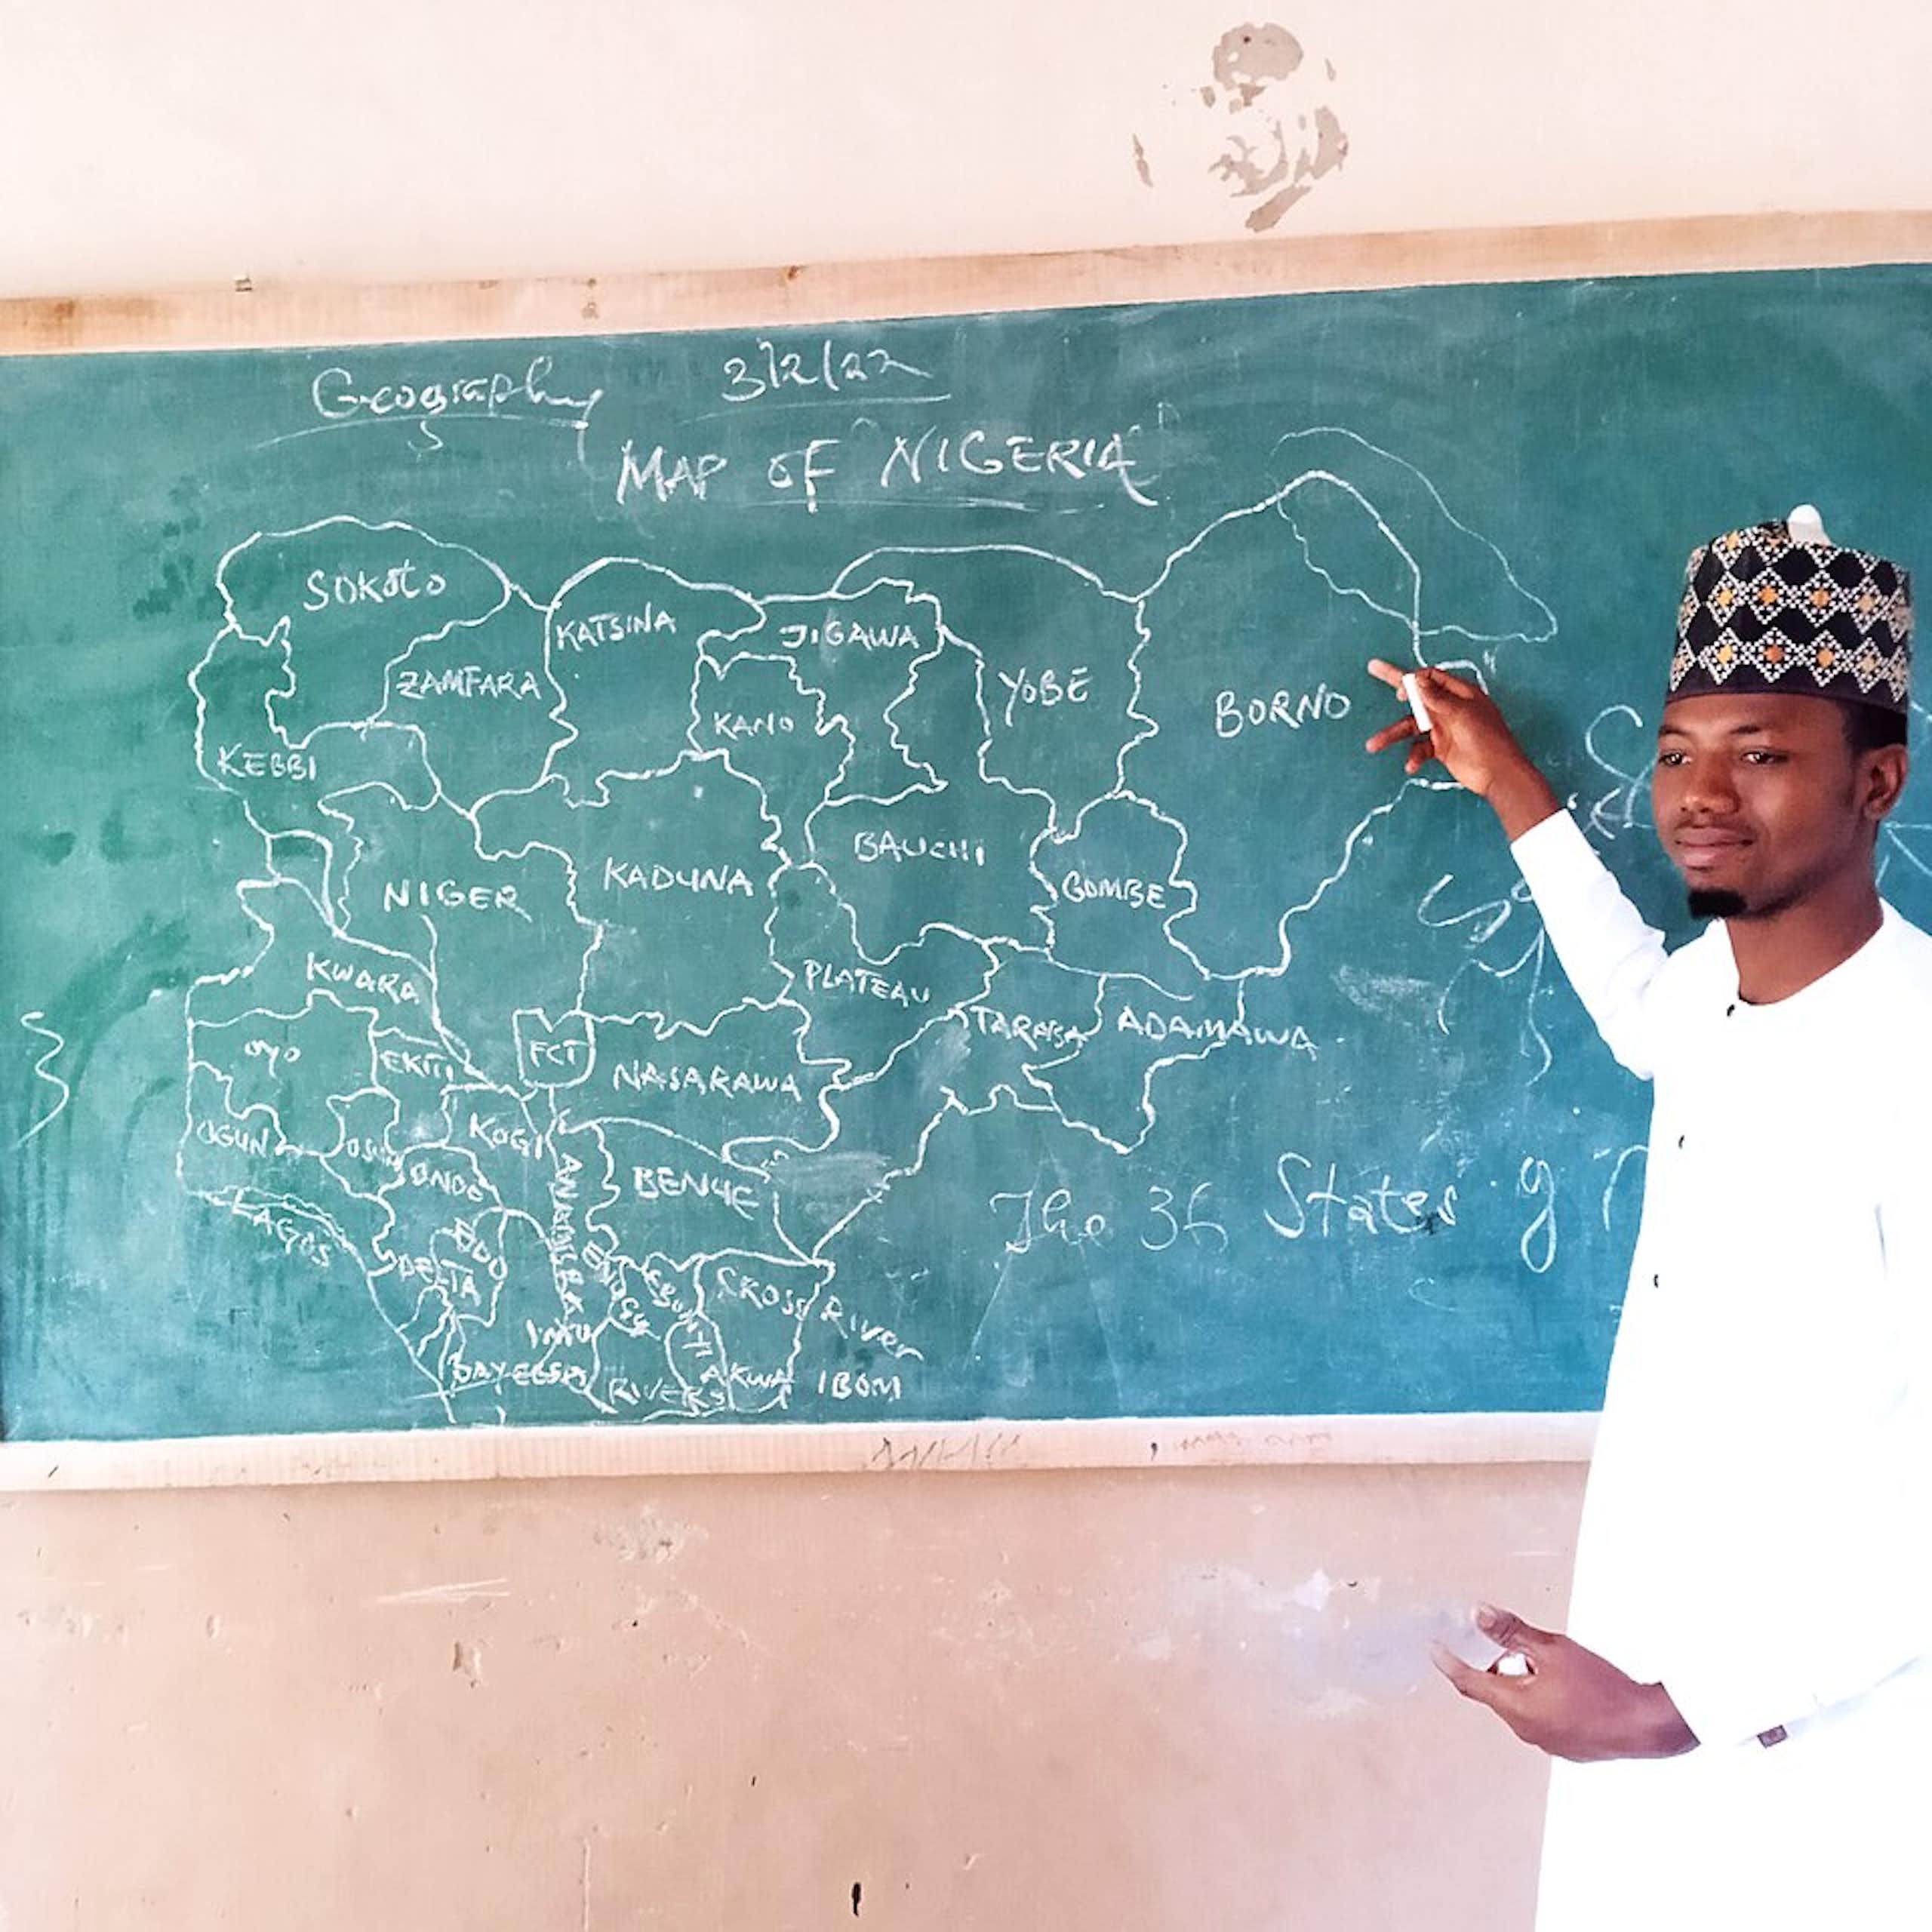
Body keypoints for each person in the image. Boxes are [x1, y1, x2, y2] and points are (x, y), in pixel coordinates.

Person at [1364, 513, 1932, 1929]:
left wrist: (1675, 1712)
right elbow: (1634, 1004)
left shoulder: (1913, 1054)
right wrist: (1511, 785)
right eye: (1678, 753)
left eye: (1761, 753)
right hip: (1650, 1690)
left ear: (1877, 782)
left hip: (1839, 1764)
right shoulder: (1714, 1000)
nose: (1702, 794)